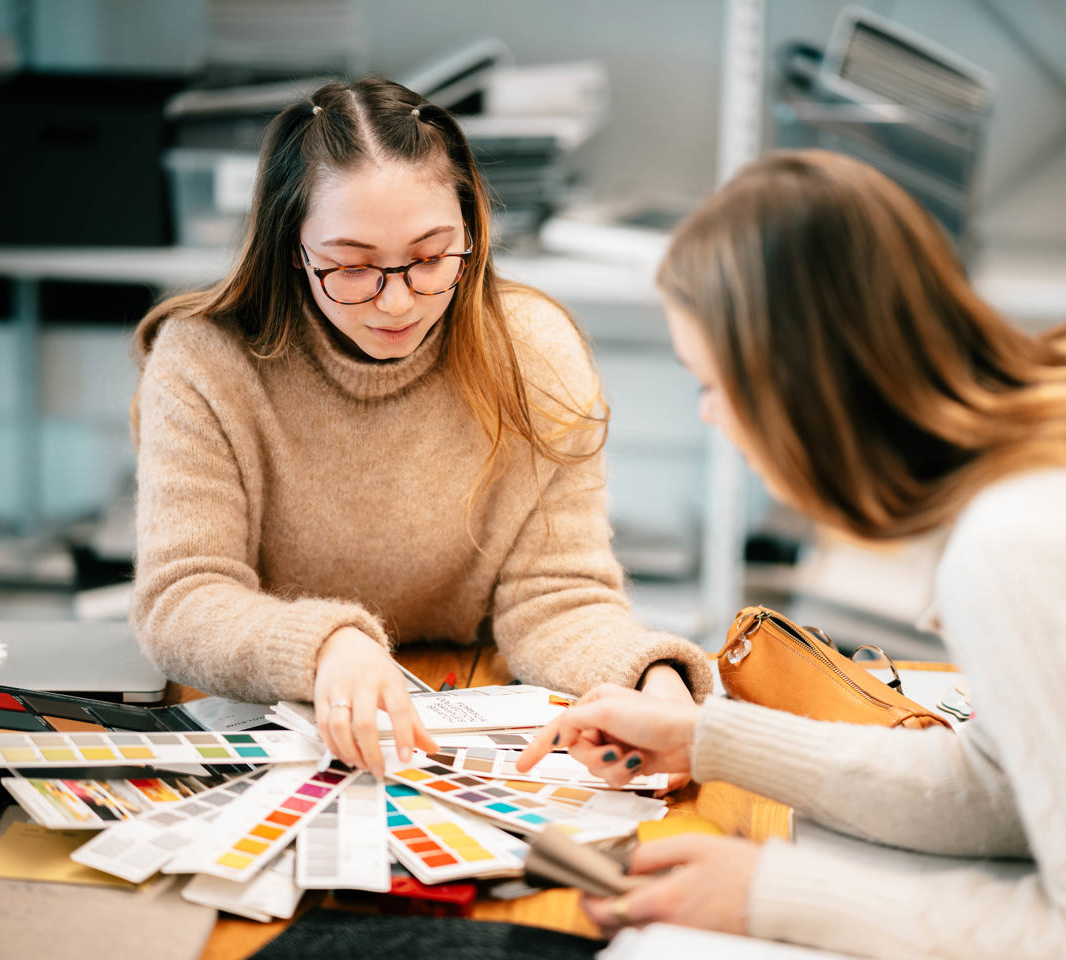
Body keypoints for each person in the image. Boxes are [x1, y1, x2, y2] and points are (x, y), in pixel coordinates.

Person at [518, 149, 1066, 958]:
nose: (712, 418)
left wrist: (767, 896)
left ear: (796, 389)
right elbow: (1002, 786)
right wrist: (710, 739)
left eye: (711, 383)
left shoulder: (1027, 547)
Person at [129, 77, 710, 780]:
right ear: (291, 248)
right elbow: (183, 597)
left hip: (457, 706)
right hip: (272, 725)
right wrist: (327, 647)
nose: (398, 300)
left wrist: (652, 679)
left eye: (432, 257)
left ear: (472, 230)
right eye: (351, 266)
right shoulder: (203, 361)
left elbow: (559, 599)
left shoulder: (534, 353)